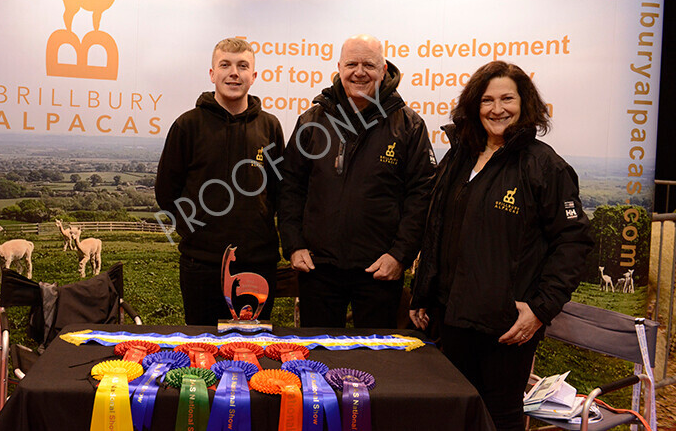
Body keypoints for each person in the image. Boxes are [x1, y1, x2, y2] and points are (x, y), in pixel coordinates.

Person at [409, 60, 593, 431]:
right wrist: (423, 294)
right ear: (473, 106)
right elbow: (437, 228)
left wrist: (540, 309)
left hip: (506, 325)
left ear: (525, 104)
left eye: (507, 98)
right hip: (450, 316)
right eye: (487, 100)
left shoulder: (544, 166)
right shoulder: (458, 156)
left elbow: (574, 242)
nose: (497, 109)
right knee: (454, 410)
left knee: (499, 416)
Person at [279, 34, 436, 328]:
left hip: (379, 271)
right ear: (339, 67)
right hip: (318, 268)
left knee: (377, 362)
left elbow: (421, 196)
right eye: (352, 64)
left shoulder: (409, 126)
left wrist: (399, 255)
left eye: (369, 64)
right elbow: (290, 187)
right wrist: (293, 244)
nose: (359, 72)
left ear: (384, 70)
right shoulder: (313, 121)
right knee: (318, 359)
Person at [155, 37, 284, 325]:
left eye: (242, 66)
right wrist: (194, 233)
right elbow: (166, 192)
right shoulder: (187, 125)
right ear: (212, 74)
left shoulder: (270, 127)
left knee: (253, 350)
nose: (234, 73)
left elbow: (279, 192)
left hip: (258, 264)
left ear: (254, 76)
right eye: (225, 65)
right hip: (201, 264)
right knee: (201, 352)